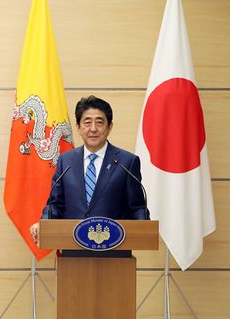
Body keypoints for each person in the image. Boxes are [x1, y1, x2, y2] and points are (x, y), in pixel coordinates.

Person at [31, 95, 149, 242]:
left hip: (115, 249)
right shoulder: (66, 161)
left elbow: (137, 207)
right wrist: (44, 224)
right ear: (78, 127)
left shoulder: (127, 162)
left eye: (99, 122)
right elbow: (55, 204)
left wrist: (144, 229)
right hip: (72, 248)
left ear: (109, 127)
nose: (93, 129)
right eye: (87, 122)